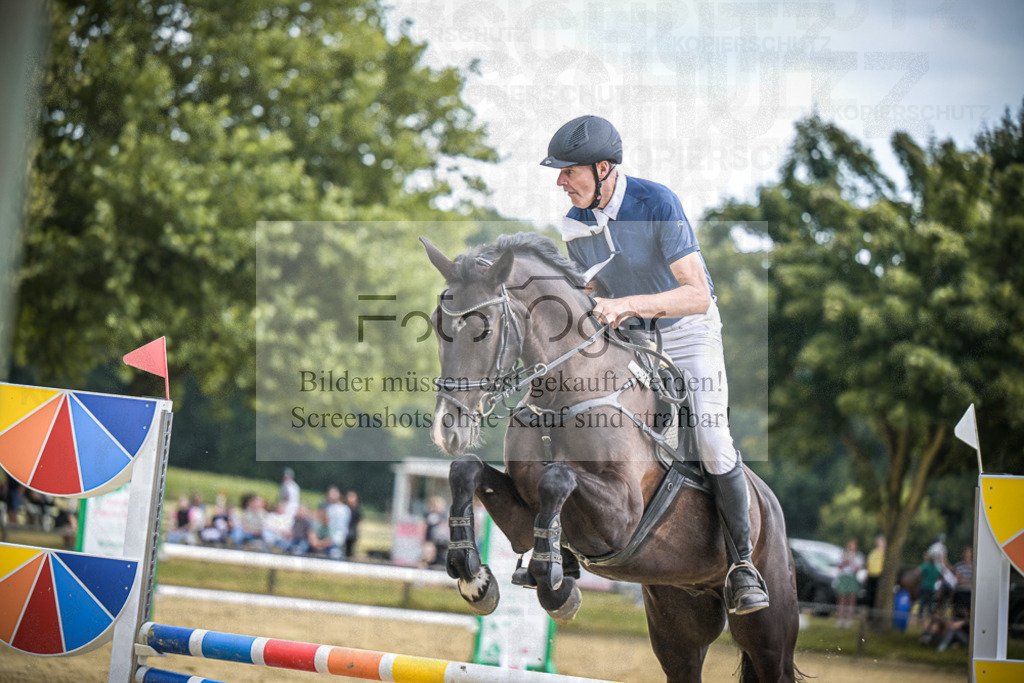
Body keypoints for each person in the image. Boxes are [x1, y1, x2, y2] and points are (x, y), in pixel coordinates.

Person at [541, 114, 768, 614]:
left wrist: (628, 305)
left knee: (709, 437)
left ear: (603, 169)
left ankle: (742, 564)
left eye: (568, 172)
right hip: (629, 337)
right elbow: (594, 285)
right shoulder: (573, 222)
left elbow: (697, 295)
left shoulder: (656, 202)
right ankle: (556, 540)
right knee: (570, 410)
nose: (560, 182)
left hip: (687, 334)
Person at [834, 539, 863, 627]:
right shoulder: (842, 555)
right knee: (842, 598)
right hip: (844, 577)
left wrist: (853, 562)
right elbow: (839, 566)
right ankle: (840, 618)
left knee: (851, 599)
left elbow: (858, 568)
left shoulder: (858, 556)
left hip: (852, 577)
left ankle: (849, 618)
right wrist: (846, 561)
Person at [323, 486, 351, 560]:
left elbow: (345, 526)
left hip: (339, 538)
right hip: (330, 537)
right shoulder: (329, 508)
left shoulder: (345, 509)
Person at [423, 496, 449, 569]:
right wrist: (425, 541)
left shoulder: (443, 516)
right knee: (428, 559)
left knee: (439, 559)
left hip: (441, 542)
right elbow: (424, 528)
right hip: (430, 542)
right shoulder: (429, 516)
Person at [917, 552, 943, 621]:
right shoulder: (935, 568)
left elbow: (918, 571)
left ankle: (920, 617)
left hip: (924, 586)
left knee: (922, 602)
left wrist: (920, 579)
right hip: (931, 587)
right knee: (930, 604)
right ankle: (929, 618)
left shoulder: (926, 565)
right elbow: (941, 575)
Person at [865, 534, 886, 609]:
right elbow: (869, 565)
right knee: (870, 595)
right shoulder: (873, 553)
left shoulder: (886, 554)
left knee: (878, 595)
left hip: (880, 576)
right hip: (872, 576)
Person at [344, 490, 362, 559]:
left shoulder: (357, 509)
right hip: (345, 530)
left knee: (350, 549)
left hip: (352, 531)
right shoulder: (345, 508)